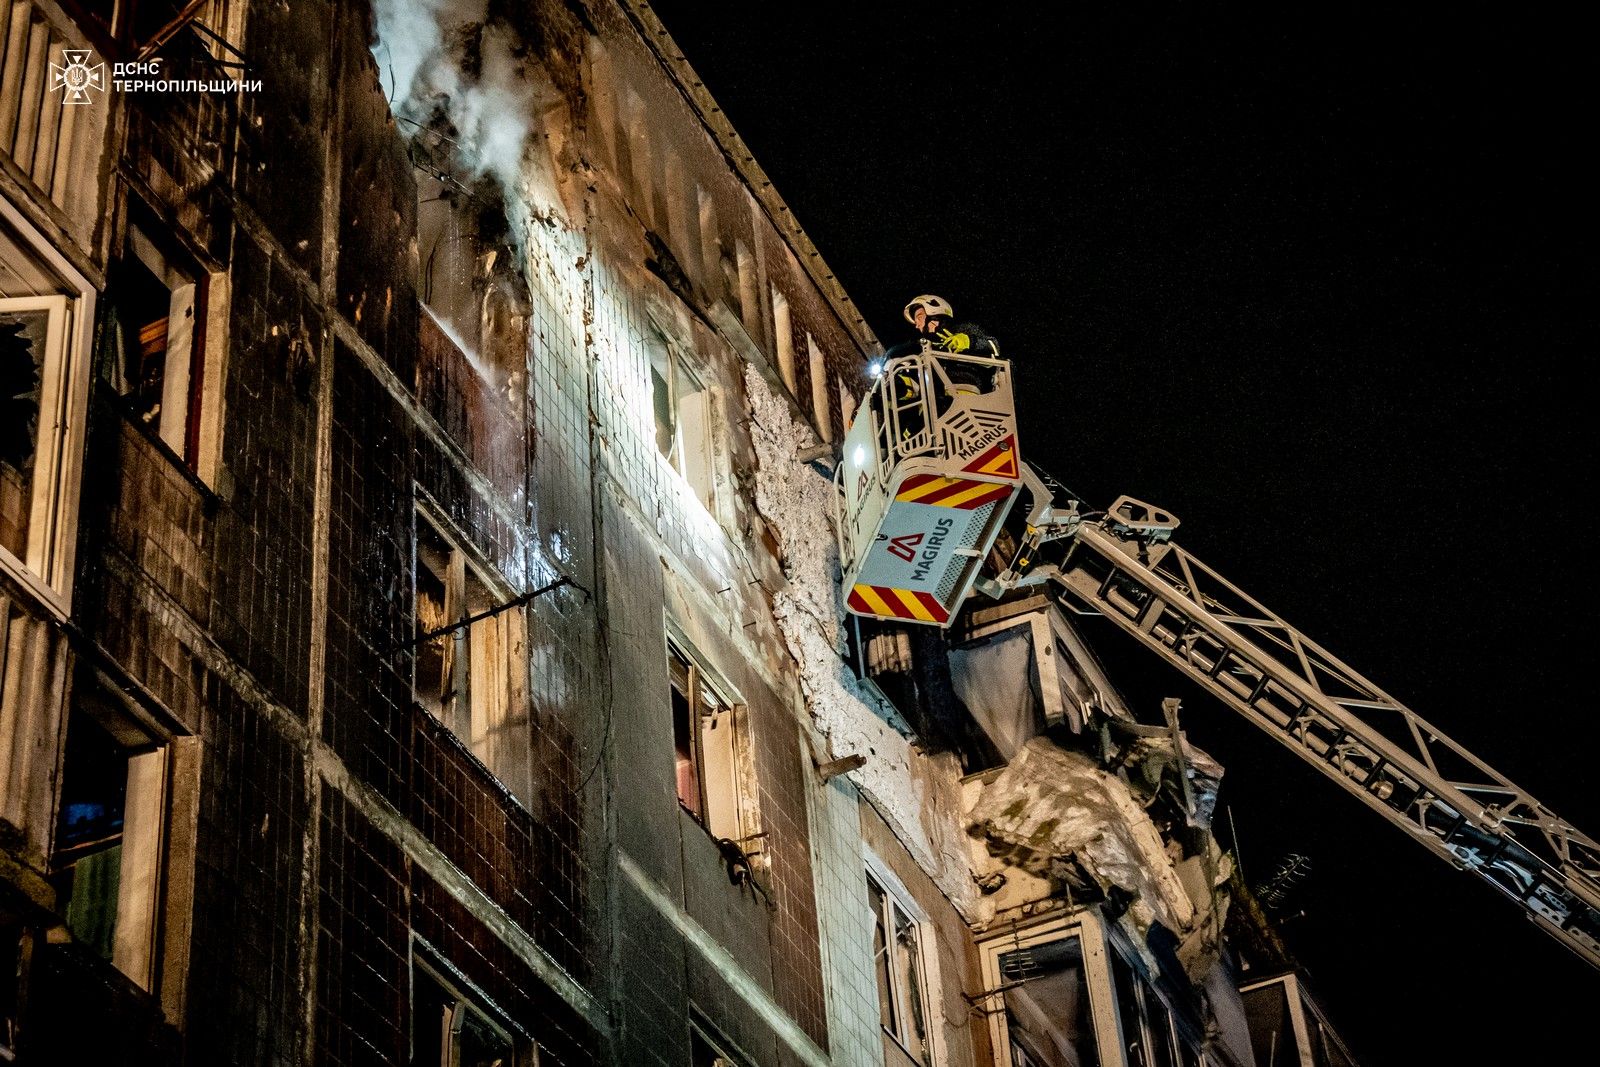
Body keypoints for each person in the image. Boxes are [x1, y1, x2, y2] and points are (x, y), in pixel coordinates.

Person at [883, 294, 998, 360]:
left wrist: (968, 341)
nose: (917, 325)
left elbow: (994, 346)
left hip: (970, 390)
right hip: (938, 393)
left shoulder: (964, 329)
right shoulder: (924, 347)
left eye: (919, 317)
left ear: (933, 313)